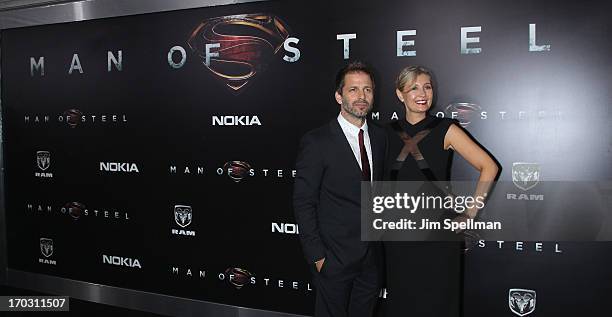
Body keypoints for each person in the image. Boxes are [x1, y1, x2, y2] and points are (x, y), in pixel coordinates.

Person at [383, 66, 499, 317]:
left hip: (437, 235)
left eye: (427, 86)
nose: (422, 93)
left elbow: (489, 167)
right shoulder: (385, 133)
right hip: (398, 237)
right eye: (413, 87)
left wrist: (470, 214)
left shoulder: (446, 129)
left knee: (437, 303)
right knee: (403, 303)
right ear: (400, 94)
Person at [293, 61, 387, 317]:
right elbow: (304, 202)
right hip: (333, 259)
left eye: (367, 90)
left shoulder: (380, 137)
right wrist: (318, 257)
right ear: (339, 95)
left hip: (371, 259)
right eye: (353, 89)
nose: (361, 96)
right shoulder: (317, 141)